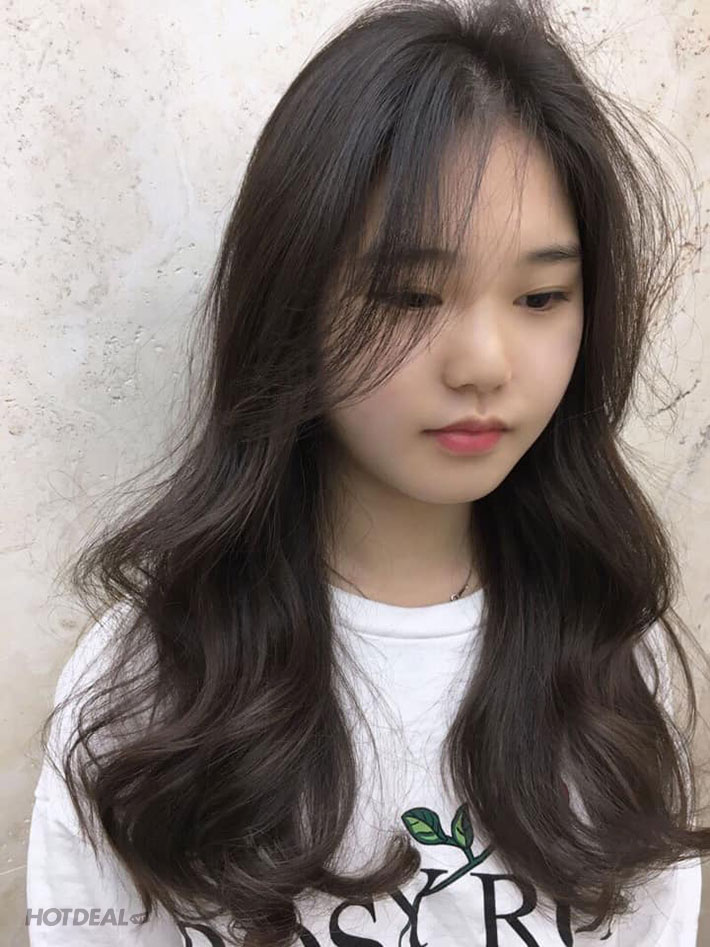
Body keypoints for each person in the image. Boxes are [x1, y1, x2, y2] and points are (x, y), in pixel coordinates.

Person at [26, 0, 709, 944]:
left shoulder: (613, 658)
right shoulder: (152, 677)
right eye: (409, 294)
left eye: (540, 295)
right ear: (293, 296)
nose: (484, 363)